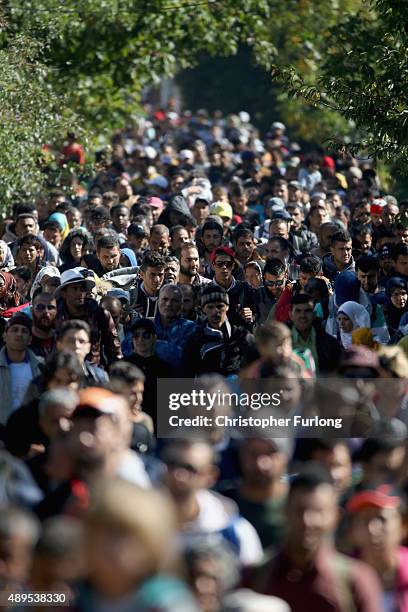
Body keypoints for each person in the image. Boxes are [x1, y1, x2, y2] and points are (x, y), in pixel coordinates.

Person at [245, 467, 383, 611]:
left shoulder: (356, 581)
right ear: (285, 512)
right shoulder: (256, 577)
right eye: (300, 510)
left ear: (335, 517)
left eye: (318, 511)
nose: (307, 521)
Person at [77, 480, 198, 611]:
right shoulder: (71, 594)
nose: (114, 548)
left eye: (128, 536)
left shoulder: (169, 602)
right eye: (106, 533)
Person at [161, 439, 263, 566]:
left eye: (189, 468)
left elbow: (251, 579)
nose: (178, 475)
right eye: (173, 464)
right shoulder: (146, 523)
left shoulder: (234, 531)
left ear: (210, 476)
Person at [347, 485, 408, 611]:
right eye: (365, 520)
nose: (373, 529)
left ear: (403, 526)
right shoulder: (341, 576)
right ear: (353, 530)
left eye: (382, 519)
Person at [224, 436, 290, 549]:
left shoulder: (300, 499)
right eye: (253, 454)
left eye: (270, 453)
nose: (262, 464)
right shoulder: (222, 503)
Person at [54, 267, 122, 367]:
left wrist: (117, 372)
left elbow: (114, 347)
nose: (80, 293)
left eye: (82, 289)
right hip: (63, 368)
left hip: (94, 370)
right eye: (75, 289)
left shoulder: (100, 314)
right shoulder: (55, 315)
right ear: (64, 293)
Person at [182, 286, 253, 377]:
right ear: (203, 309)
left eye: (220, 306)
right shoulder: (195, 340)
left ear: (227, 307)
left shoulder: (241, 336)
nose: (215, 311)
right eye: (210, 307)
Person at [124, 318, 174, 427]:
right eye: (136, 335)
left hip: (156, 425)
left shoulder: (164, 368)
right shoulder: (124, 366)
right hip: (128, 422)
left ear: (154, 338)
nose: (140, 339)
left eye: (146, 335)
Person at [0, 314, 43, 426]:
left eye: (24, 331)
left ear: (30, 339)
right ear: (4, 336)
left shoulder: (42, 366)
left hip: (32, 433)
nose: (19, 334)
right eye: (14, 330)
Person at [289, 293, 342, 373]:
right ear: (290, 315)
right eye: (298, 311)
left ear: (314, 315)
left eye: (307, 311)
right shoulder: (279, 342)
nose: (302, 315)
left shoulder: (330, 344)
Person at [210, 246, 258, 330]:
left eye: (227, 264)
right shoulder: (205, 291)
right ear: (213, 266)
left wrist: (251, 317)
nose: (224, 267)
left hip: (241, 337)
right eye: (219, 264)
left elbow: (257, 313)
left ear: (232, 266)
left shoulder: (246, 289)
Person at [154, 284, 197, 371]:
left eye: (174, 301)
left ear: (181, 305)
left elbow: (182, 358)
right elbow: (128, 351)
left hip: (177, 382)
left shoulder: (190, 328)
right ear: (158, 301)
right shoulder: (147, 324)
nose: (169, 304)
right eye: (165, 299)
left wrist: (151, 345)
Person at [56, 319, 109, 385]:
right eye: (70, 341)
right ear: (59, 345)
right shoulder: (45, 374)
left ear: (88, 347)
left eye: (81, 341)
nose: (76, 345)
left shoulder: (100, 376)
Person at [130, 251, 165, 317]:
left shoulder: (169, 295)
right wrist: (128, 316)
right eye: (152, 275)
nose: (157, 280)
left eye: (160, 275)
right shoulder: (131, 296)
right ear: (142, 274)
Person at [29, 292, 57, 358]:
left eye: (50, 307)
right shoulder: (24, 341)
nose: (46, 312)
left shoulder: (63, 340)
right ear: (32, 311)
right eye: (40, 307)